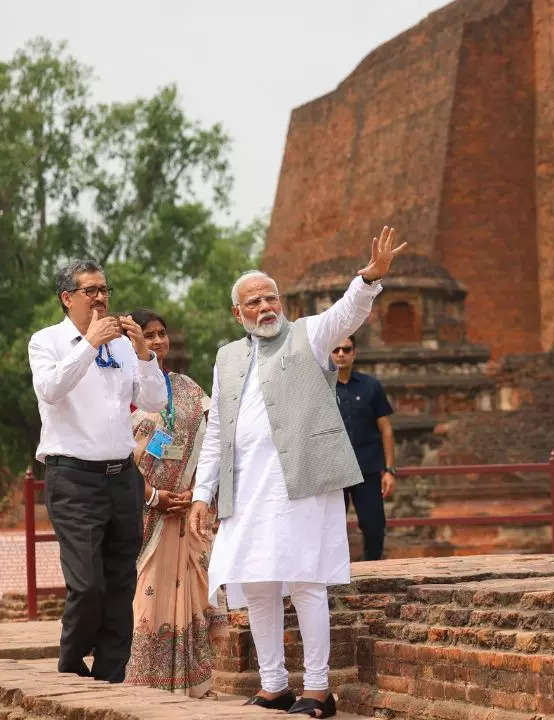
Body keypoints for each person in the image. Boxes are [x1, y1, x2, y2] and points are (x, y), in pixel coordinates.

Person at [189, 226, 407, 719]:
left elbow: (346, 314)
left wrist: (369, 278)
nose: (265, 308)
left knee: (305, 581)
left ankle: (317, 689)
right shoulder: (226, 357)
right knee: (257, 581)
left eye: (271, 298)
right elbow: (218, 430)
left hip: (301, 481)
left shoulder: (310, 336)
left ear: (281, 301)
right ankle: (273, 685)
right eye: (253, 303)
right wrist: (204, 492)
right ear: (237, 313)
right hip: (244, 488)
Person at [28, 259, 168, 682]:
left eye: (104, 289)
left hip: (122, 476)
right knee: (88, 583)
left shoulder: (125, 347)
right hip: (72, 477)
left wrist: (144, 354)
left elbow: (156, 401)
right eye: (90, 291)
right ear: (67, 298)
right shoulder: (47, 341)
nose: (101, 297)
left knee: (120, 579)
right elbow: (51, 389)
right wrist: (88, 343)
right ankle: (71, 665)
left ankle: (111, 675)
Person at [121, 309, 229, 697]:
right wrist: (152, 496)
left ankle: (193, 684)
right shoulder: (121, 389)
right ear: (130, 342)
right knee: (146, 600)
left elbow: (214, 439)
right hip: (142, 516)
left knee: (191, 601)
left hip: (185, 514)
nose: (157, 342)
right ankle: (142, 686)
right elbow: (114, 456)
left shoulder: (186, 388)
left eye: (161, 334)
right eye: (147, 335)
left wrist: (198, 490)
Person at [330, 335, 396, 562]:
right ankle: (337, 575)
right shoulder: (321, 389)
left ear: (354, 353)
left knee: (374, 526)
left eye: (346, 349)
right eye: (336, 349)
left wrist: (389, 470)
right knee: (331, 528)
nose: (341, 354)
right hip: (333, 471)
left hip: (367, 468)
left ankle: (373, 570)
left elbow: (386, 429)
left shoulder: (371, 386)